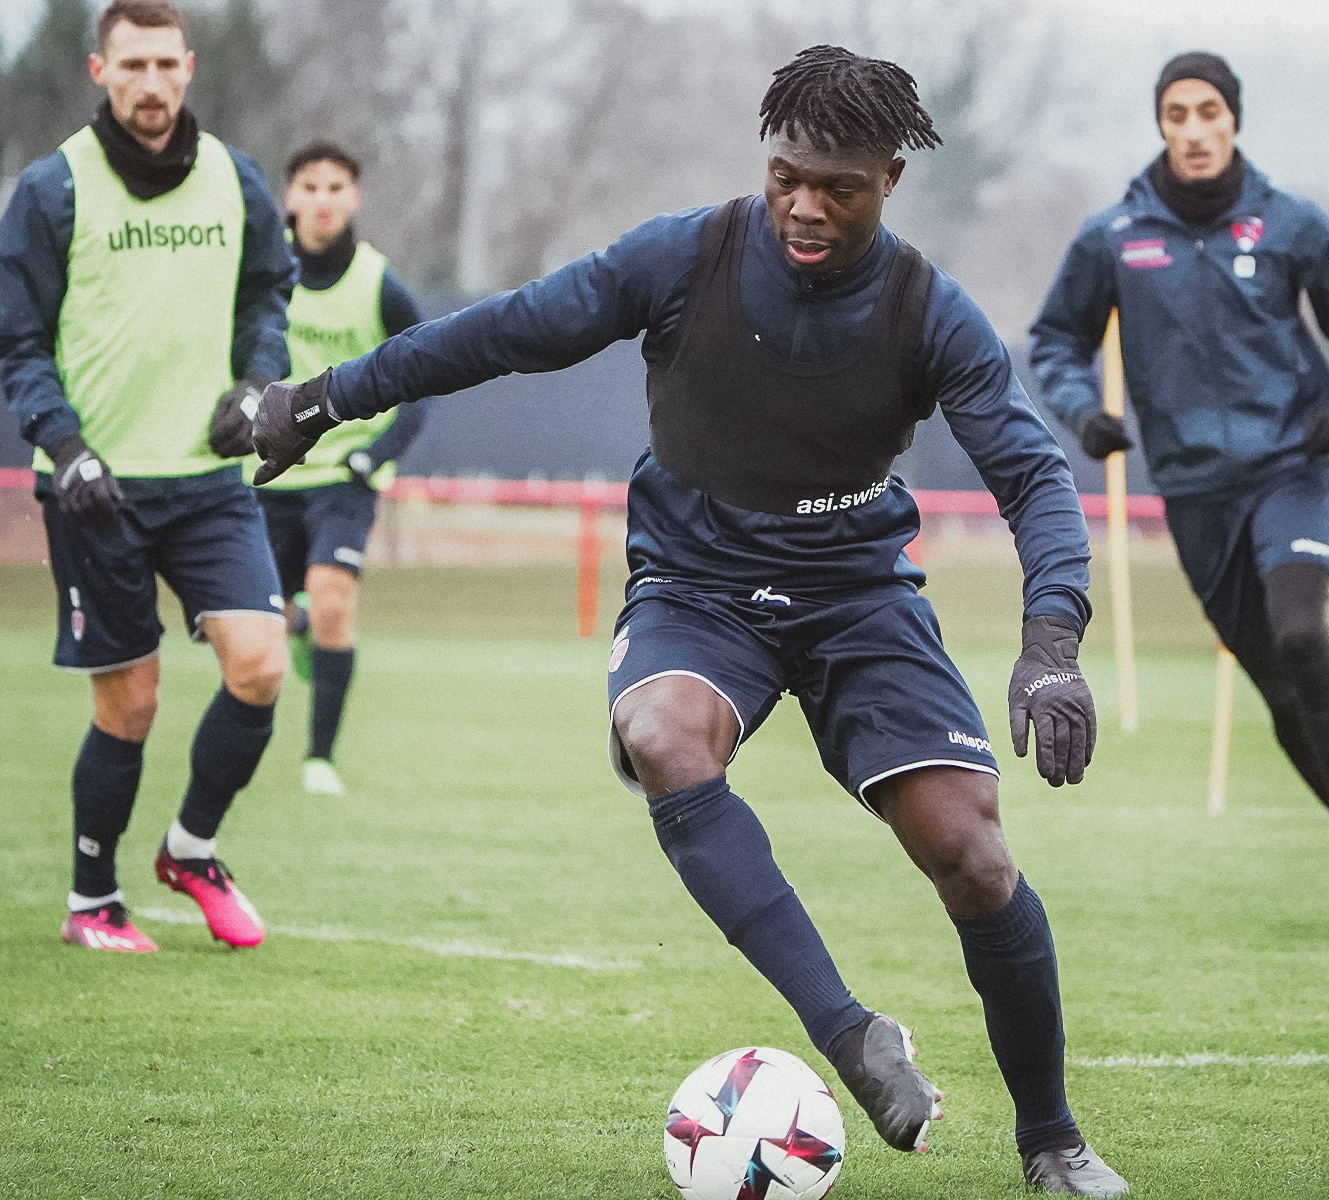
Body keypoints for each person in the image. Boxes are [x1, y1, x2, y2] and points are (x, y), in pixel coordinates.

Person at [254, 45, 1129, 1197]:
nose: (806, 207)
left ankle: (1052, 1141)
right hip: (699, 584)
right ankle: (851, 1035)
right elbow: (504, 331)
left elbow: (1034, 477)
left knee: (969, 852)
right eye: (787, 179)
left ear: (889, 182)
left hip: (857, 596)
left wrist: (1051, 647)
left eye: (840, 188)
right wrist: (326, 397)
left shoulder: (931, 312)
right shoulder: (683, 257)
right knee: (662, 734)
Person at [1029, 52, 1329, 935]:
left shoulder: (1290, 223)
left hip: (1291, 468)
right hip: (1192, 491)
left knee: (1300, 632)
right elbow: (1055, 340)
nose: (1196, 128)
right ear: (1161, 125)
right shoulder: (1113, 236)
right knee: (1276, 686)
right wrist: (1084, 413)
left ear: (1233, 119)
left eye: (1210, 110)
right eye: (1178, 113)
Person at [0, 0, 295, 952]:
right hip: (95, 486)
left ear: (189, 67)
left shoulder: (235, 180)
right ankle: (92, 903)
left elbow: (266, 295)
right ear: (99, 73)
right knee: (133, 702)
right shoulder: (52, 189)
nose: (152, 84)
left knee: (262, 664)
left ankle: (191, 848)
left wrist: (254, 385)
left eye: (166, 64)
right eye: (133, 67)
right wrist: (63, 443)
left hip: (205, 480)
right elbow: (16, 338)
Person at [239, 141, 428, 797]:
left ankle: (319, 759)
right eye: (310, 187)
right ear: (290, 197)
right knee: (247, 624)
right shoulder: (260, 269)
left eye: (336, 187)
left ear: (354, 198)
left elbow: (421, 379)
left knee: (332, 599)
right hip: (266, 477)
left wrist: (371, 456)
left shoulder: (378, 283)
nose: (323, 199)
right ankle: (292, 628)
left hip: (342, 481)